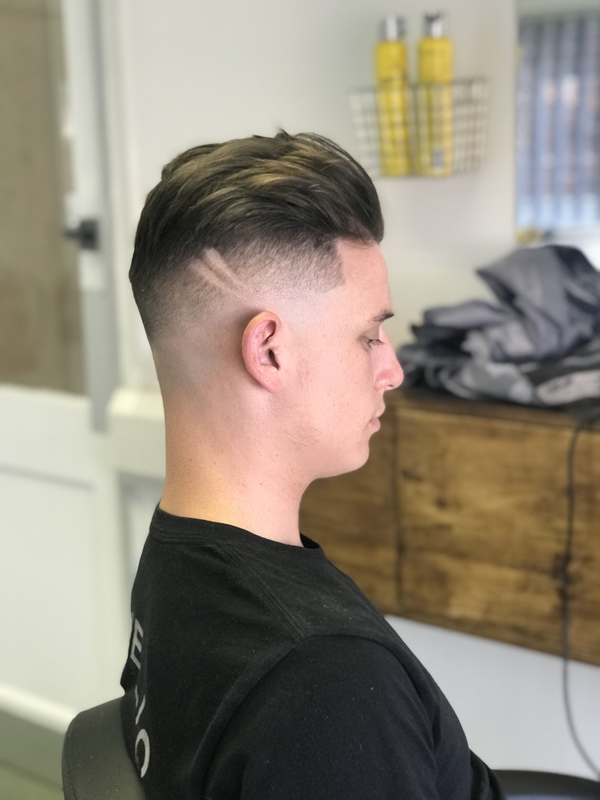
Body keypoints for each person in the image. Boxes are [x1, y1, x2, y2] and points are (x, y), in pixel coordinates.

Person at [120, 131, 503, 799]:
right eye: (370, 335)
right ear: (270, 352)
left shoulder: (175, 558)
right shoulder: (327, 682)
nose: (393, 370)